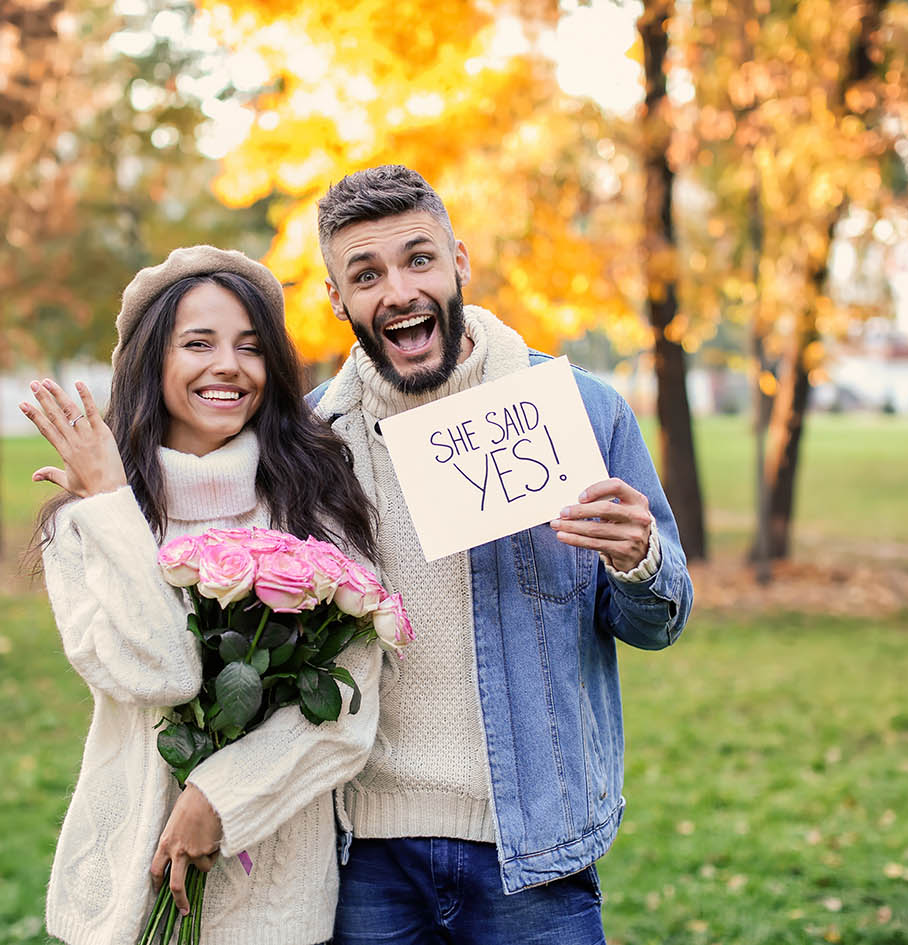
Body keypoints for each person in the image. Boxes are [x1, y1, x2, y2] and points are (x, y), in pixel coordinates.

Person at [305, 165, 695, 945]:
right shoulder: (311, 441)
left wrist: (638, 558)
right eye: (366, 274)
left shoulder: (581, 411)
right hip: (365, 854)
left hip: (531, 847)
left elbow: (660, 622)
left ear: (459, 262)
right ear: (337, 300)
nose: (398, 291)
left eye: (418, 259)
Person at [21, 246, 382, 945]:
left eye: (250, 347)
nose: (228, 365)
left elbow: (347, 714)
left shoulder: (316, 508)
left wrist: (220, 797)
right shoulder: (86, 523)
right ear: (151, 362)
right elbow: (162, 674)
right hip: (133, 897)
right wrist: (111, 504)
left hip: (275, 903)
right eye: (198, 343)